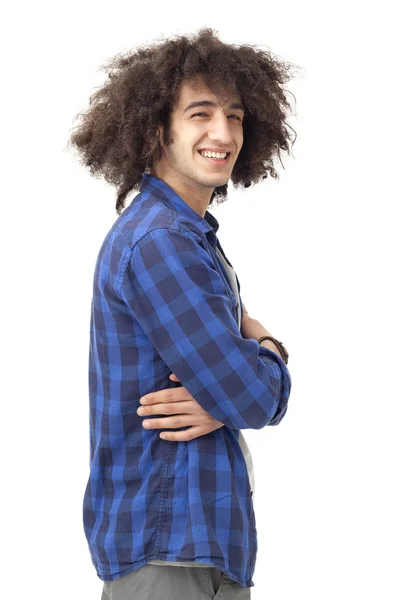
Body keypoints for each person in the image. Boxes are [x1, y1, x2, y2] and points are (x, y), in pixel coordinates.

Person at [69, 27, 297, 600]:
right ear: (155, 130)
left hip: (194, 549)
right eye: (200, 114)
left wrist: (227, 396)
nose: (224, 133)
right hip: (168, 555)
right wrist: (268, 349)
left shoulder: (187, 237)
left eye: (236, 115)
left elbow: (234, 396)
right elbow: (251, 397)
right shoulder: (161, 242)